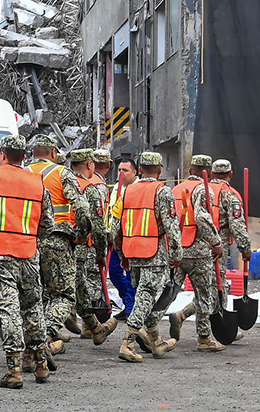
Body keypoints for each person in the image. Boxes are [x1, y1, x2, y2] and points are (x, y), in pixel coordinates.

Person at [0, 135, 55, 388]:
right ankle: (41, 365)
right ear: (24, 156)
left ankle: (13, 370)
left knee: (8, 310)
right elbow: (48, 223)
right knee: (33, 308)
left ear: (2, 154)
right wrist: (32, 238)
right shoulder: (38, 182)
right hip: (28, 253)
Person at [112, 151, 182, 362]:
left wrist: (121, 253)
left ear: (140, 170)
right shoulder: (163, 192)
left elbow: (115, 228)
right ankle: (128, 343)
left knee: (143, 296)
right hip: (153, 253)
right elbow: (172, 226)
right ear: (160, 170)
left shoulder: (126, 192)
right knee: (145, 297)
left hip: (132, 252)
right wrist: (177, 253)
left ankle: (156, 342)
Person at [25, 134, 92, 352]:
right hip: (57, 240)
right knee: (63, 294)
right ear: (54, 153)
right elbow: (81, 207)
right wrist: (82, 234)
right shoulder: (62, 172)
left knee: (36, 295)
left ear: (33, 153)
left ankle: (31, 341)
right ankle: (45, 336)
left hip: (27, 242)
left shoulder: (22, 173)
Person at [167, 155, 227, 352]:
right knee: (203, 294)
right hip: (198, 251)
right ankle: (204, 338)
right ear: (208, 172)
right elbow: (201, 217)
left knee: (168, 292)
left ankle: (149, 328)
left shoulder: (176, 189)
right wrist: (216, 242)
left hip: (177, 250)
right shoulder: (204, 189)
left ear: (190, 169)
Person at [66, 149, 117, 344]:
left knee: (74, 283)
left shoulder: (64, 181)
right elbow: (98, 221)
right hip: (85, 242)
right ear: (90, 164)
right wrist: (101, 250)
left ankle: (88, 324)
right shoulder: (95, 186)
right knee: (87, 283)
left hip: (62, 241)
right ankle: (85, 322)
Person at [210, 159, 254, 335]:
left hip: (195, 243)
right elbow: (237, 225)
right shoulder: (230, 194)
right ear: (231, 174)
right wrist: (246, 248)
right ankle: (221, 328)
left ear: (212, 174)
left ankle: (184, 315)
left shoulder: (201, 189)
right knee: (219, 285)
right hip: (218, 245)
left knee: (205, 286)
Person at [106, 158, 137, 320]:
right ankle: (128, 301)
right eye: (119, 170)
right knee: (115, 272)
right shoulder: (116, 189)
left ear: (134, 172)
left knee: (132, 274)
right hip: (115, 240)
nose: (121, 173)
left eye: (125, 170)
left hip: (132, 240)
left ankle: (132, 307)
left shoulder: (138, 189)